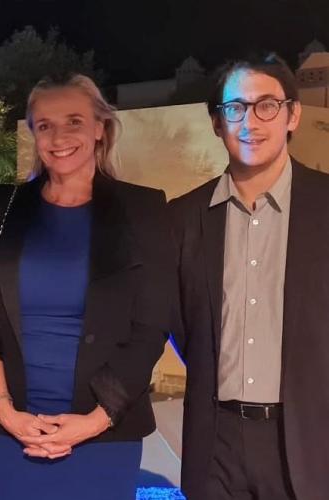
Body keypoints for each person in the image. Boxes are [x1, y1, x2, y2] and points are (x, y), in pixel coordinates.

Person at [0, 74, 175, 499]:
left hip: (104, 437)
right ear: (34, 133)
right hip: (12, 436)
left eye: (74, 121)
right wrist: (6, 411)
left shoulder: (143, 209)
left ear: (99, 127)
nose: (59, 137)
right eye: (45, 125)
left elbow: (150, 330)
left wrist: (94, 421)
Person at [170, 53, 329, 500]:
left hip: (309, 439)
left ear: (292, 115)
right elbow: (182, 325)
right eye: (235, 108)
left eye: (267, 106)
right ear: (217, 122)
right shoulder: (182, 218)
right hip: (215, 443)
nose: (250, 122)